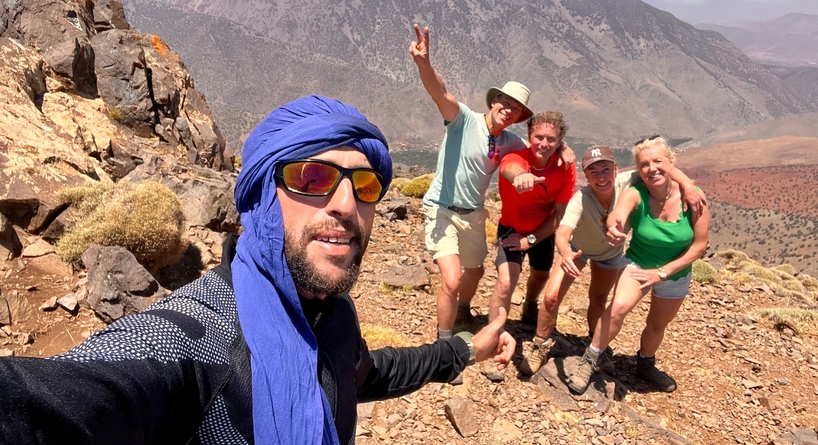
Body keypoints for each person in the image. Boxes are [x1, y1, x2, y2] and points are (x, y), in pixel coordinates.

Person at [0, 95, 516, 444]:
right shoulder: (190, 340)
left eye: (363, 186)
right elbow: (60, 401)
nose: (344, 203)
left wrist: (468, 348)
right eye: (311, 176)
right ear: (261, 200)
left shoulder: (330, 315)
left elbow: (363, 373)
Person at [408, 24, 574, 348]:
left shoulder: (509, 139)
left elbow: (536, 147)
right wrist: (424, 64)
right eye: (505, 102)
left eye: (515, 108)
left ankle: (464, 312)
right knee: (452, 279)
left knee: (475, 273)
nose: (508, 109)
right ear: (495, 100)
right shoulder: (463, 119)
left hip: (473, 215)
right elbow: (440, 93)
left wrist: (564, 149)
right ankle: (444, 347)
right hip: (442, 209)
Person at [518, 146, 706, 376]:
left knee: (598, 300)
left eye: (606, 169)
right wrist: (565, 251)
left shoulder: (630, 179)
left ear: (616, 170)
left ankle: (595, 346)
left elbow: (663, 168)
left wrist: (687, 185)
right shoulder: (581, 198)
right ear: (586, 176)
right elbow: (563, 230)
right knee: (551, 297)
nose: (601, 177)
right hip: (577, 250)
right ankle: (540, 345)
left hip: (609, 254)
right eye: (593, 172)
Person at [567, 136, 710, 394]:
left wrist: (663, 272)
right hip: (640, 262)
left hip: (675, 271)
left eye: (657, 161)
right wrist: (614, 226)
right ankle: (590, 359)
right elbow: (618, 214)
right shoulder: (636, 193)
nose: (651, 168)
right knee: (618, 307)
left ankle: (645, 364)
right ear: (637, 169)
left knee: (657, 325)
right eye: (644, 164)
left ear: (671, 163)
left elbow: (700, 246)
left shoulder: (694, 198)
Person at [488, 111, 575, 328]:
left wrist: (531, 240)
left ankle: (530, 305)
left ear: (559, 142)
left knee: (540, 275)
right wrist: (520, 176)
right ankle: (492, 332)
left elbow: (560, 213)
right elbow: (509, 168)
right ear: (529, 135)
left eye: (551, 139)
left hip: (543, 230)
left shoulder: (565, 168)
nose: (544, 143)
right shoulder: (516, 157)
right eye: (539, 137)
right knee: (507, 280)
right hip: (511, 229)